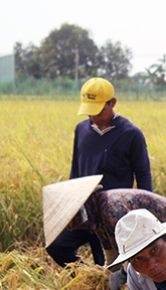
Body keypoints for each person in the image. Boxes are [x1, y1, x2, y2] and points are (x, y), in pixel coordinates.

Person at [46, 77, 153, 268]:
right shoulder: (81, 130)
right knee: (57, 246)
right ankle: (87, 282)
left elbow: (143, 175)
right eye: (89, 112)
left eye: (97, 110)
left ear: (112, 103)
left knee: (114, 265)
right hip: (87, 210)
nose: (92, 116)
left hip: (115, 214)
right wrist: (71, 207)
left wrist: (144, 215)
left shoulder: (130, 134)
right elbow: (76, 171)